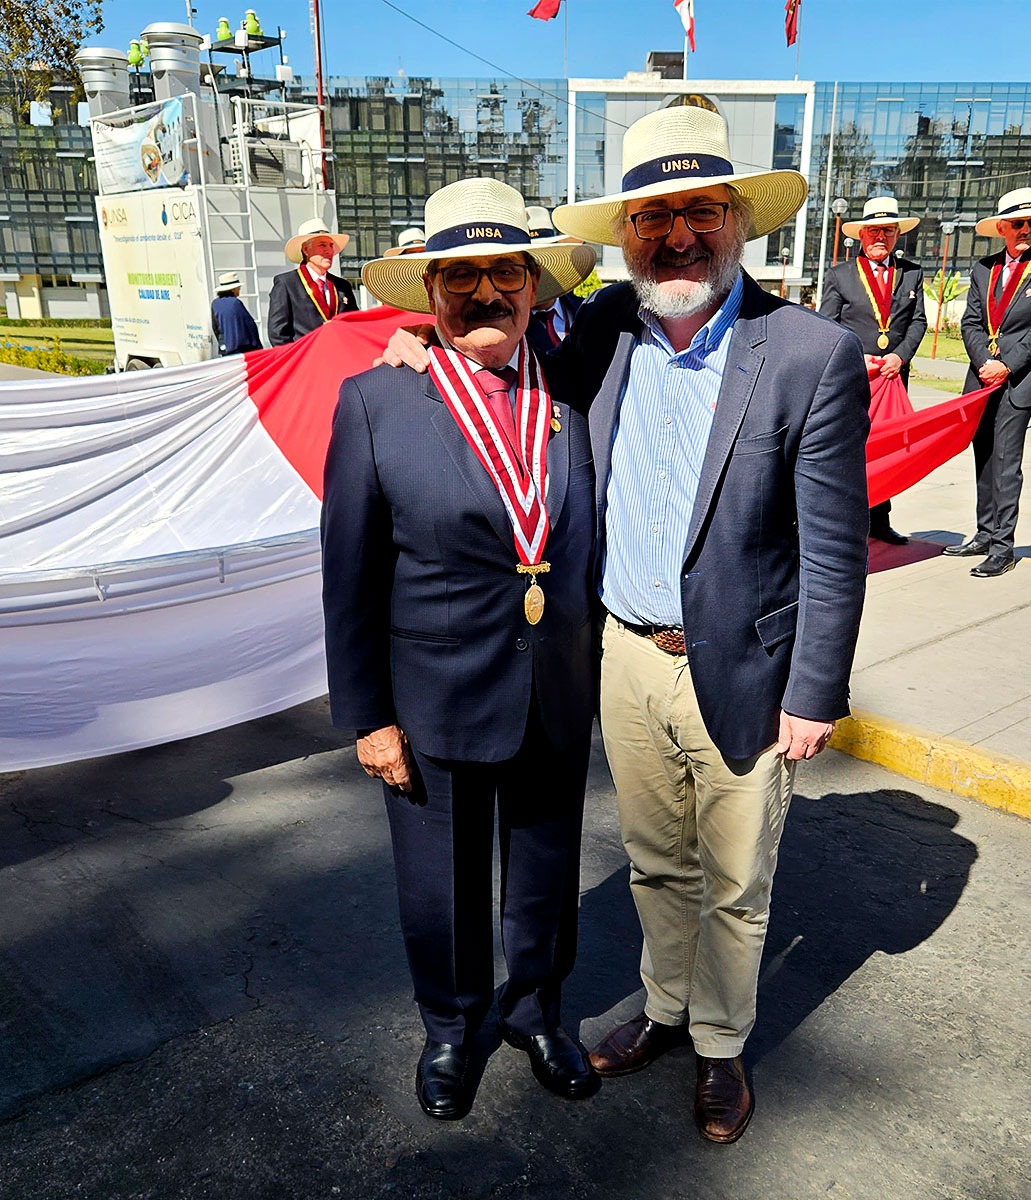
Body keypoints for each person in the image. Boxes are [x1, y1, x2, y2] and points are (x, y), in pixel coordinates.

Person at [382, 105, 871, 1144]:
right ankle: (661, 1010)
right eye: (653, 218)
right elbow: (494, 386)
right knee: (655, 861)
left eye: (699, 211)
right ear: (627, 236)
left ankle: (723, 1048)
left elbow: (833, 543)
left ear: (736, 219)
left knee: (736, 880)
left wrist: (815, 689)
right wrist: (414, 349)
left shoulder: (808, 351)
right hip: (620, 658)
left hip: (747, 666)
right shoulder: (598, 330)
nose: (679, 236)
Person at [320, 178, 601, 1122]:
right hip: (430, 696)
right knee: (440, 882)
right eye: (461, 277)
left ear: (535, 286)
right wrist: (368, 716)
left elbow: (663, 290)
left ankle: (536, 1010)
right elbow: (348, 574)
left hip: (554, 687)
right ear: (429, 293)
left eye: (505, 273)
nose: (486, 295)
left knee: (546, 864)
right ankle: (450, 1025)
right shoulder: (375, 402)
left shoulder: (575, 392)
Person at [943, 187, 1031, 577]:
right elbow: (969, 322)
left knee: (1006, 462)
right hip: (983, 377)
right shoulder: (984, 268)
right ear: (1002, 227)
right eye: (1017, 223)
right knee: (983, 455)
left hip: (1021, 379)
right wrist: (985, 360)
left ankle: (1003, 546)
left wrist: (1007, 365)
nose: (1026, 230)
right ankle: (984, 533)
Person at [819, 197, 926, 544]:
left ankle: (880, 520)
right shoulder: (840, 275)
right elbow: (827, 326)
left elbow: (918, 321)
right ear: (863, 234)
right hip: (854, 378)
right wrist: (853, 358)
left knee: (886, 447)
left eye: (889, 230)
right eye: (875, 230)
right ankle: (845, 521)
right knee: (849, 449)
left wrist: (901, 356)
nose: (881, 236)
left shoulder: (911, 273)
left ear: (897, 235)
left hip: (893, 377)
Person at [267, 218, 358, 345]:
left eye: (331, 245)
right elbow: (278, 333)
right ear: (305, 249)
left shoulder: (342, 286)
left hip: (340, 357)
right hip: (305, 359)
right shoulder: (287, 284)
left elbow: (355, 323)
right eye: (322, 245)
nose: (329, 251)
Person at [524, 205, 582, 356]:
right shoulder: (508, 324)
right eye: (530, 260)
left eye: (545, 257)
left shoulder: (588, 310)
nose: (539, 268)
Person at [210, 272, 262, 355]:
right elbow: (249, 325)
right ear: (233, 289)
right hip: (242, 347)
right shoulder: (236, 302)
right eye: (238, 288)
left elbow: (215, 327)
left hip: (226, 348)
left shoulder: (215, 303)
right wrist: (258, 347)